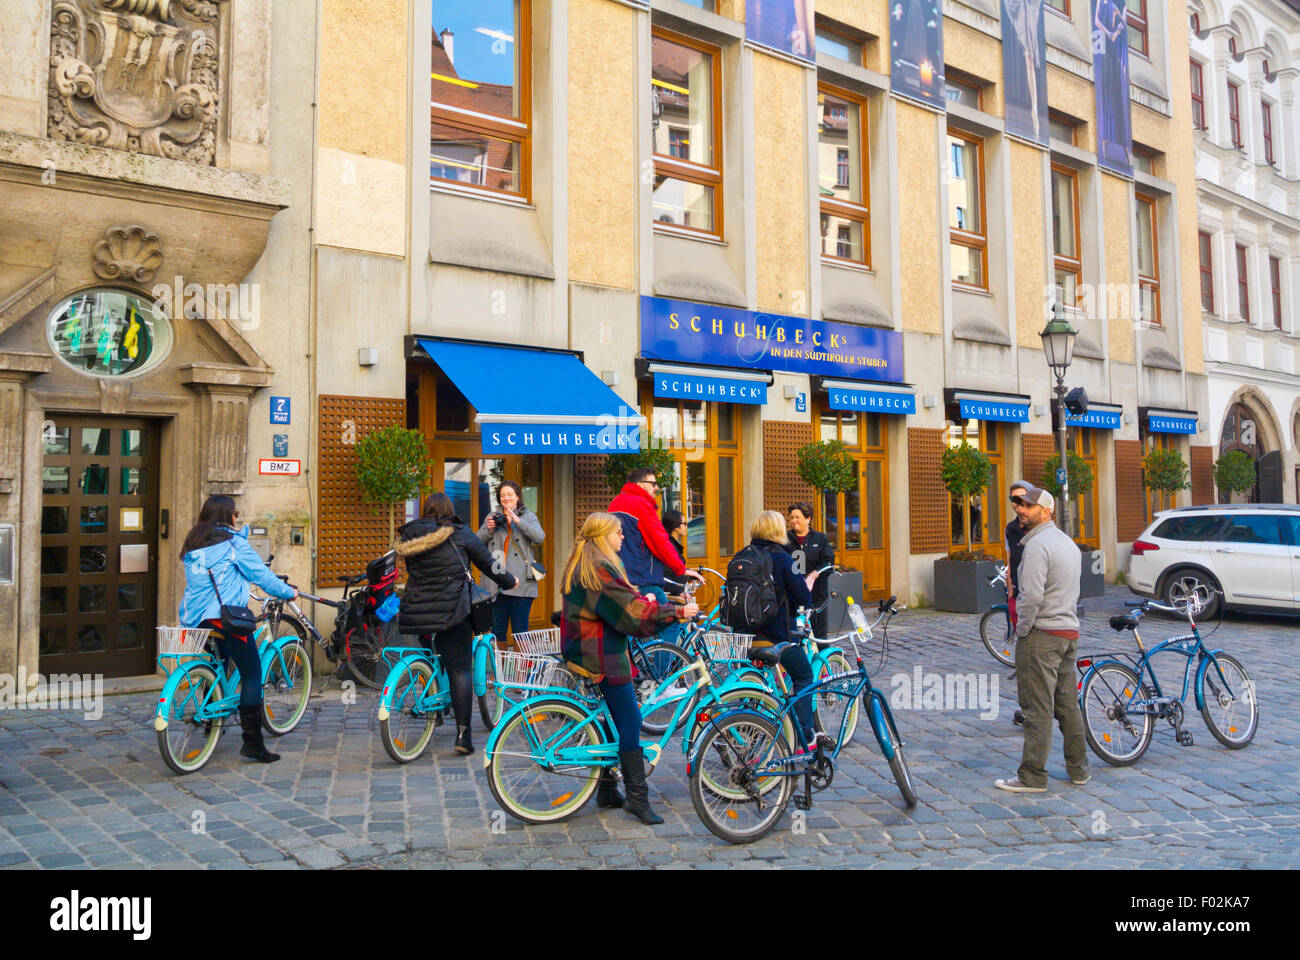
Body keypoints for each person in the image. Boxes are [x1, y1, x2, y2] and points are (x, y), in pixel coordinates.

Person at [560, 512, 698, 825]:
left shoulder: (585, 560)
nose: (622, 537)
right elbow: (630, 614)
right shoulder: (599, 568)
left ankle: (608, 789)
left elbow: (621, 600)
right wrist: (676, 611)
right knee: (631, 718)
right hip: (601, 655)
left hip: (587, 649)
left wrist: (642, 597)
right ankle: (638, 797)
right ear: (602, 535)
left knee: (612, 721)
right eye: (618, 532)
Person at [179, 495, 297, 763]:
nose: (237, 518)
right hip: (225, 620)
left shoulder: (193, 543)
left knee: (215, 666)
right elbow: (261, 575)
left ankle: (212, 725)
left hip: (195, 620)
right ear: (226, 516)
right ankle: (252, 743)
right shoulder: (233, 544)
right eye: (235, 513)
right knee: (252, 673)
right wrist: (288, 592)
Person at [397, 493, 517, 756]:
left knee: (434, 656)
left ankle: (437, 704)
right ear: (449, 510)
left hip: (418, 611)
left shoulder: (410, 535)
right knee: (460, 669)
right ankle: (463, 735)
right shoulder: (459, 531)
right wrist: (510, 581)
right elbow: (488, 563)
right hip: (453, 610)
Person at [995, 485, 1090, 793]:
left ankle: (1032, 776)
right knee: (1067, 705)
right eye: (1019, 505)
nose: (1021, 510)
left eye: (1028, 506)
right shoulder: (1068, 544)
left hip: (1042, 634)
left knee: (1037, 708)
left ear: (1046, 511)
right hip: (1067, 632)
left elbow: (1031, 596)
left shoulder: (1037, 546)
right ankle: (1079, 769)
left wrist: (1022, 629)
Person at [745, 511, 836, 753]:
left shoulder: (743, 556)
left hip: (743, 636)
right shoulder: (783, 558)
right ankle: (805, 736)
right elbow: (803, 597)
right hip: (774, 637)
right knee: (804, 675)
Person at [608, 466, 702, 606]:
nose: (656, 488)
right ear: (640, 484)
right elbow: (660, 542)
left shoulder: (614, 504)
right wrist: (681, 569)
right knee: (670, 622)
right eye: (653, 484)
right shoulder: (641, 505)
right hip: (642, 579)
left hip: (619, 577)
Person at [477, 480, 545, 645]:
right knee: (497, 630)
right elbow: (477, 542)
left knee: (520, 631)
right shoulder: (492, 517)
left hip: (521, 582)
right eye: (502, 495)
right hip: (498, 580)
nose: (506, 498)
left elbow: (540, 537)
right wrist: (488, 528)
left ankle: (521, 671)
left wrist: (518, 521)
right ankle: (498, 669)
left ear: (517, 497)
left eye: (509, 495)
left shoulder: (528, 516)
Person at [786, 502, 834, 638]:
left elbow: (829, 562)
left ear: (808, 519)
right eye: (791, 518)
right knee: (795, 634)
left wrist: (815, 573)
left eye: (797, 517)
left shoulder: (820, 538)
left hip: (817, 597)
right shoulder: (785, 540)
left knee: (819, 635)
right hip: (793, 597)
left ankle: (822, 658)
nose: (794, 521)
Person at [1005, 481, 1031, 726]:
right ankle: (1028, 709)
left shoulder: (1040, 527)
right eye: (1014, 500)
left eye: (1022, 499)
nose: (1018, 505)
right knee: (1024, 655)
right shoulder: (1011, 529)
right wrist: (1010, 589)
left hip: (1040, 600)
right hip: (1020, 597)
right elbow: (1011, 557)